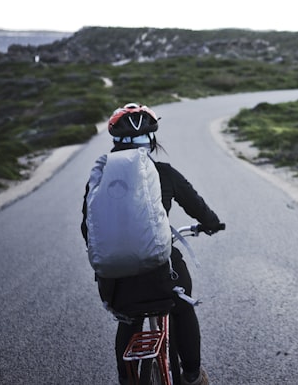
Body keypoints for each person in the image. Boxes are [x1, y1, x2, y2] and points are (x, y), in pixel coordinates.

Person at [82, 103, 223, 385]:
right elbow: (199, 209)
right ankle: (193, 376)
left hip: (117, 283)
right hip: (161, 275)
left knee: (128, 319)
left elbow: (88, 229)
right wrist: (211, 224)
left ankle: (128, 380)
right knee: (182, 308)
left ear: (116, 143)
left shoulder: (99, 180)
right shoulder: (164, 173)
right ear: (151, 141)